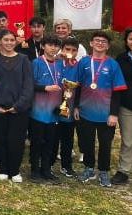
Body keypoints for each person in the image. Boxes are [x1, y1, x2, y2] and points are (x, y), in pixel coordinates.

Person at [75, 31, 127, 187]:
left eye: (103, 41)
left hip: (105, 114)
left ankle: (104, 171)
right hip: (85, 111)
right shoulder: (84, 62)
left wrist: (114, 114)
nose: (100, 43)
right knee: (87, 142)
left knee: (105, 144)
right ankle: (89, 168)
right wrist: (76, 106)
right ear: (91, 43)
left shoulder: (113, 64)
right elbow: (77, 86)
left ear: (108, 46)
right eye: (97, 40)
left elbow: (117, 91)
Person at [0, 30, 33, 183]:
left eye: (12, 40)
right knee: (1, 139)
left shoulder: (24, 59)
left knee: (16, 140)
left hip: (18, 109)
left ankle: (14, 170)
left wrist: (18, 106)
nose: (9, 43)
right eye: (6, 40)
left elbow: (28, 85)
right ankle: (3, 169)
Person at [29, 35, 64, 183]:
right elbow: (29, 85)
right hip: (38, 111)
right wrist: (45, 88)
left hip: (54, 110)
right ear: (43, 46)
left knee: (50, 142)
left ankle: (46, 169)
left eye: (56, 46)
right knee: (37, 141)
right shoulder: (36, 63)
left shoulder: (60, 64)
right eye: (50, 45)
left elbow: (64, 85)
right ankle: (34, 170)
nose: (53, 48)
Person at [54, 38, 80, 178]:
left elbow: (80, 87)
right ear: (62, 50)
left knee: (67, 138)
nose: (70, 52)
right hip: (52, 105)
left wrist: (77, 106)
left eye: (73, 50)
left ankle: (66, 165)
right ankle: (49, 163)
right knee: (52, 137)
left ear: (77, 52)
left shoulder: (79, 66)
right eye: (67, 49)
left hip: (69, 106)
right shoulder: (55, 62)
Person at [112, 27, 132, 185]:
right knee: (128, 141)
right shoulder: (121, 59)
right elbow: (117, 84)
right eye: (131, 38)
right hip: (127, 106)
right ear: (126, 41)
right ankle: (124, 170)